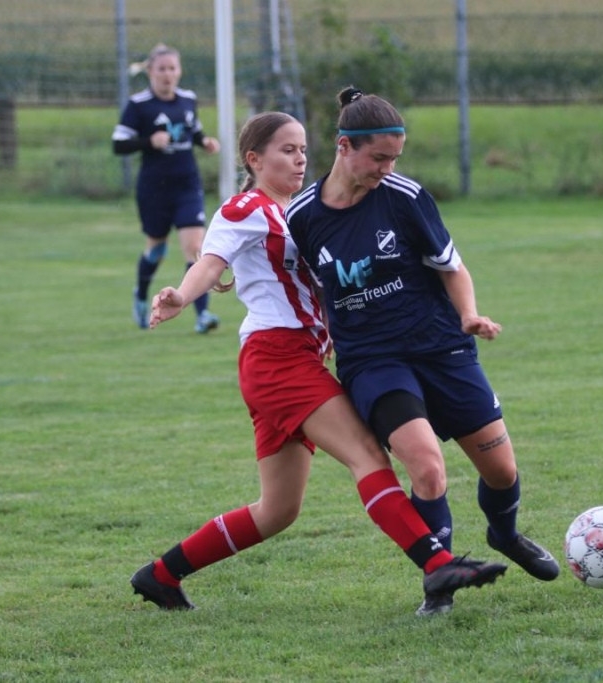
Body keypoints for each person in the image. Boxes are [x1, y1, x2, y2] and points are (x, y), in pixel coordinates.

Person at [130, 111, 507, 615]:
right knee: (367, 455)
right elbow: (210, 262)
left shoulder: (303, 211)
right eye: (287, 150)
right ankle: (438, 565)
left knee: (278, 510)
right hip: (277, 358)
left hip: (294, 358)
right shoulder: (245, 207)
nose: (300, 159)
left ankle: (159, 576)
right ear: (253, 159)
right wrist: (182, 295)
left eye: (304, 149)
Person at [285, 87, 561, 615]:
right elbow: (289, 278)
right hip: (372, 362)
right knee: (427, 467)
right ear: (344, 147)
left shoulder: (405, 197)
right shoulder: (302, 216)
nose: (387, 168)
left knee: (501, 472)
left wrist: (468, 315)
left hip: (440, 347)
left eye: (395, 157)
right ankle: (441, 582)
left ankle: (505, 534)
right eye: (378, 158)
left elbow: (451, 267)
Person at [112, 43, 221, 332]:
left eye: (172, 68)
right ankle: (140, 294)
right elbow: (118, 144)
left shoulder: (188, 99)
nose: (167, 74)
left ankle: (202, 315)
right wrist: (149, 141)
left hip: (187, 185)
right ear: (150, 71)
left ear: (179, 71)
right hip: (154, 189)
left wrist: (204, 142)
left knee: (196, 248)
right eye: (161, 69)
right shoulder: (139, 105)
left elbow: (193, 130)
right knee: (157, 250)